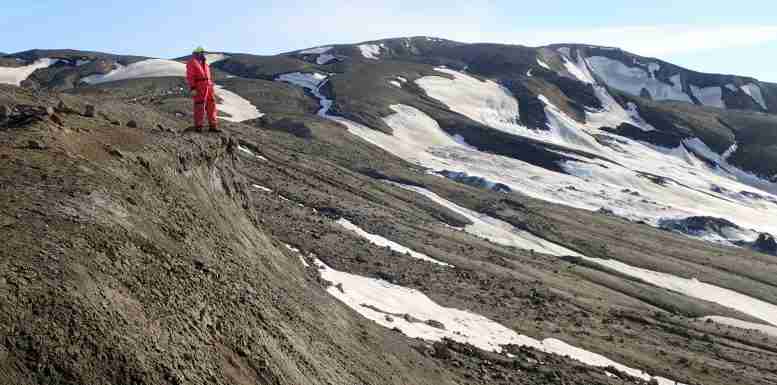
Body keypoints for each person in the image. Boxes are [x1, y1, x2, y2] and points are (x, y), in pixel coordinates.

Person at [186, 46, 219, 132]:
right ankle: (199, 126)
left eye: (203, 52)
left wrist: (211, 85)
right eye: (202, 52)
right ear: (197, 53)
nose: (203, 54)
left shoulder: (205, 63)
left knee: (211, 105)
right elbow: (190, 76)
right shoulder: (192, 62)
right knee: (200, 105)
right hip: (199, 86)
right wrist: (193, 87)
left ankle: (213, 125)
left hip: (208, 86)